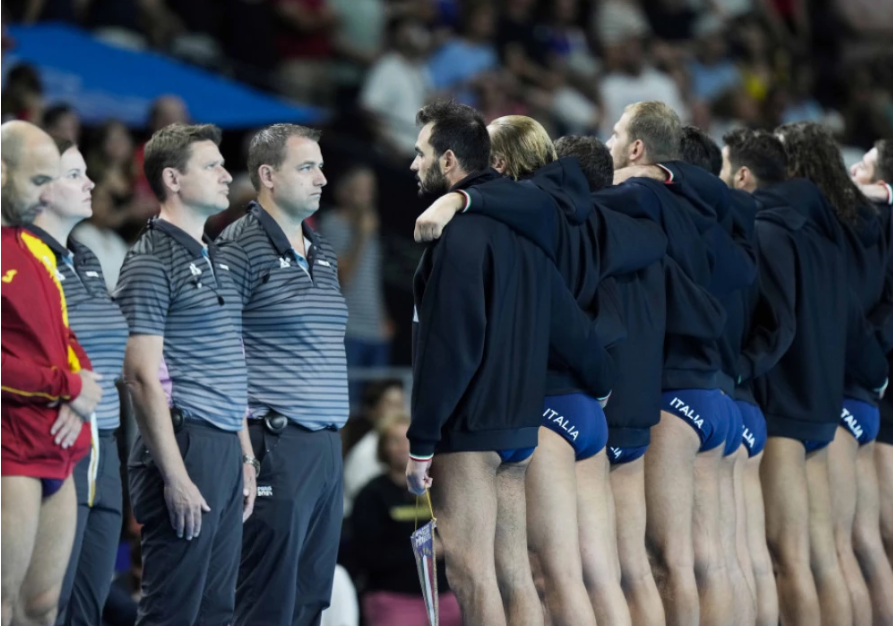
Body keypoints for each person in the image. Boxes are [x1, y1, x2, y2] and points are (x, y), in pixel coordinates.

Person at [413, 115, 667, 626]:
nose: (413, 163)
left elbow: (452, 346)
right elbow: (574, 319)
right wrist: (601, 384)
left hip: (504, 416)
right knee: (557, 574)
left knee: (495, 575)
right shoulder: (549, 226)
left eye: (420, 153)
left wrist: (421, 439)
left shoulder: (477, 230)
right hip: (547, 417)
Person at [116, 123, 255, 626]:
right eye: (212, 165)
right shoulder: (150, 260)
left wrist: (244, 456)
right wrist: (175, 476)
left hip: (220, 445)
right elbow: (139, 376)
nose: (226, 174)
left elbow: (232, 364)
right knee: (173, 612)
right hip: (182, 444)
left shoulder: (213, 256)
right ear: (172, 179)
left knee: (216, 611)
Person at [216, 124, 348, 626]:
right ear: (267, 175)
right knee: (266, 602)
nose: (322, 178)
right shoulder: (237, 246)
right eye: (307, 167)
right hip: (273, 443)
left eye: (320, 165)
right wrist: (244, 455)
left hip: (326, 445)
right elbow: (218, 353)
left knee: (311, 599)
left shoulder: (324, 249)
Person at [777, 121, 893, 626]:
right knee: (858, 545)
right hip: (863, 392)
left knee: (823, 550)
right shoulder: (871, 223)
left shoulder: (819, 230)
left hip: (828, 391)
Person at [554, 134, 668, 626]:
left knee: (567, 574)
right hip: (639, 411)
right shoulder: (645, 228)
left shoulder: (576, 227)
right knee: (631, 571)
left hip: (593, 402)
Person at [1, 120, 103, 626]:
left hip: (61, 446)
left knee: (42, 608)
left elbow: (60, 333)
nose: (46, 195)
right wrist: (68, 387)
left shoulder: (34, 247)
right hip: (9, 447)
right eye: (38, 181)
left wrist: (85, 387)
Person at [27, 138, 129, 626]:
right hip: (54, 440)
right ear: (41, 189)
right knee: (47, 602)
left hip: (103, 443)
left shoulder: (84, 257)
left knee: (89, 602)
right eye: (75, 175)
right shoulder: (21, 258)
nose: (91, 183)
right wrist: (67, 389)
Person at [718, 129, 784, 626]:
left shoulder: (741, 231)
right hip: (747, 406)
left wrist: (735, 367)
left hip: (711, 396)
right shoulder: (766, 233)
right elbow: (779, 321)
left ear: (741, 175)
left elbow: (783, 321)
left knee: (692, 557)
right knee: (748, 551)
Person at [350, 414, 462, 626]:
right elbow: (366, 554)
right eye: (395, 440)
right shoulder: (371, 495)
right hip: (393, 597)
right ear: (384, 448)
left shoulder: (439, 488)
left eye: (409, 439)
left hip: (445, 595)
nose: (403, 446)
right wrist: (426, 549)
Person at [317, 166, 393, 408]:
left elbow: (370, 278)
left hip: (375, 329)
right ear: (343, 192)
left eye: (370, 190)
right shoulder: (332, 223)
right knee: (347, 405)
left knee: (378, 407)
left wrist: (383, 317)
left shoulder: (370, 228)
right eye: (360, 190)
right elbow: (344, 277)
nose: (367, 196)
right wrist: (360, 235)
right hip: (348, 329)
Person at [342, 380, 406, 516]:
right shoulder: (364, 452)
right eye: (390, 404)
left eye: (400, 404)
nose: (397, 411)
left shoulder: (410, 444)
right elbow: (361, 503)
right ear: (372, 411)